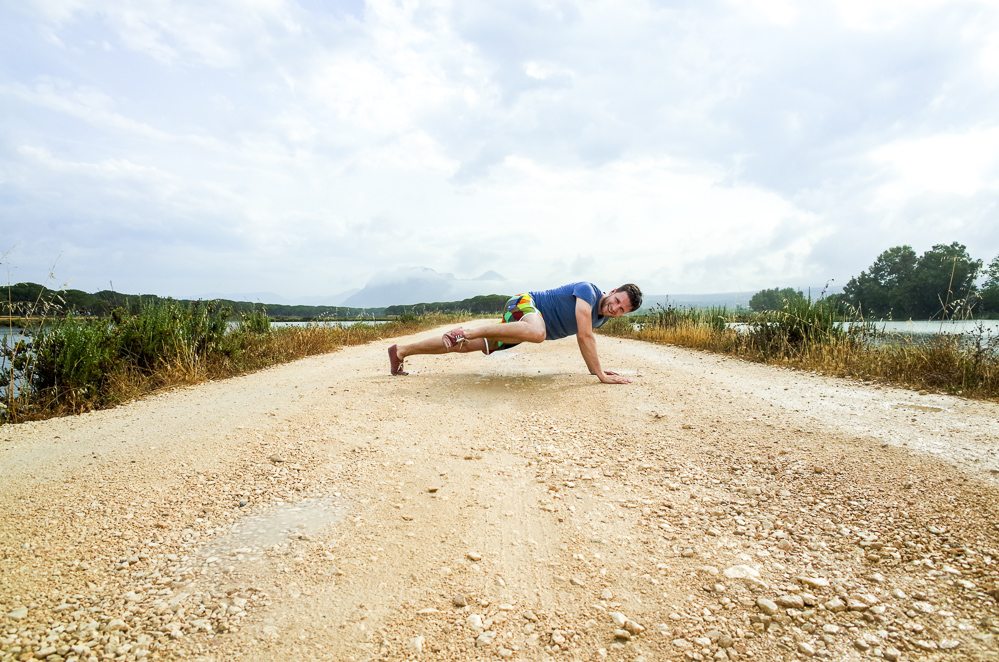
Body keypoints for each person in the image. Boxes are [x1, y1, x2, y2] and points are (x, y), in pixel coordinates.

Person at [387, 282, 642, 384]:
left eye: (622, 310)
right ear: (612, 290)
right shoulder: (588, 292)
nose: (615, 308)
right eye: (617, 300)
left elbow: (587, 339)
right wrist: (600, 375)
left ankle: (401, 351)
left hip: (525, 327)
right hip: (523, 304)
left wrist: (594, 368)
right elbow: (584, 336)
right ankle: (468, 329)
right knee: (538, 332)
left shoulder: (601, 320)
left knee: (465, 345)